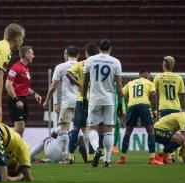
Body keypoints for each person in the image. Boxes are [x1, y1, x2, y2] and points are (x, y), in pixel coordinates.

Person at [83, 39, 123, 167]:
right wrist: (121, 104)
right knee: (108, 130)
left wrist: (84, 97)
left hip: (94, 99)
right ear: (110, 49)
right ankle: (107, 160)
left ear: (99, 48)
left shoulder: (90, 60)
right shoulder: (116, 62)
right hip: (109, 100)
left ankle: (96, 149)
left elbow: (85, 82)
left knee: (91, 128)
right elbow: (120, 87)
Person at [117, 70, 163, 165]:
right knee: (150, 131)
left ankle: (122, 158)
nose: (150, 77)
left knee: (128, 132)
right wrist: (154, 110)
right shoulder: (150, 83)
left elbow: (121, 93)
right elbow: (154, 95)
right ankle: (152, 158)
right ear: (146, 75)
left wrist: (124, 105)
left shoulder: (131, 83)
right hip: (144, 105)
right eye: (150, 75)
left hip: (132, 106)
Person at [42, 46, 79, 162]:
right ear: (78, 55)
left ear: (66, 54)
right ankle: (93, 157)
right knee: (85, 129)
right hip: (81, 101)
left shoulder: (60, 67)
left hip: (67, 101)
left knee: (64, 129)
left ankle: (65, 157)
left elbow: (53, 86)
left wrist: (48, 101)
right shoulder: (83, 65)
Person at [65, 42, 99, 164]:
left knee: (76, 128)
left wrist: (78, 83)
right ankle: (90, 157)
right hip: (95, 100)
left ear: (86, 53)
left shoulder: (81, 64)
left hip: (81, 99)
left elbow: (68, 73)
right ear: (97, 52)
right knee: (91, 129)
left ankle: (70, 157)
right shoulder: (98, 65)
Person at [5, 46, 42, 135]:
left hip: (24, 100)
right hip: (16, 100)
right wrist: (17, 100)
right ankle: (7, 146)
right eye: (32, 54)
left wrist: (34, 93)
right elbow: (8, 85)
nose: (33, 56)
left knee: (21, 129)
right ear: (26, 55)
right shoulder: (15, 68)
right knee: (19, 127)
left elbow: (25, 87)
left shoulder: (26, 69)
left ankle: (17, 149)